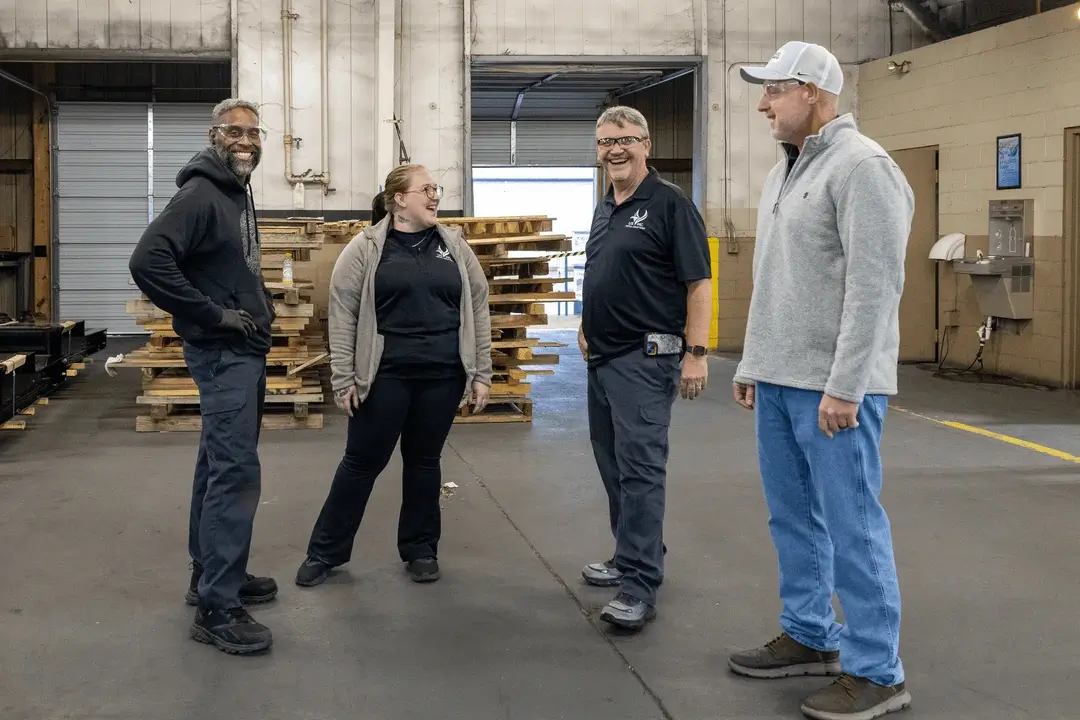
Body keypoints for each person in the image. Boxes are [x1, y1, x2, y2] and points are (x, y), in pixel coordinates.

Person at [726, 41, 914, 720]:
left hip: (834, 389)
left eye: (773, 90)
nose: (762, 103)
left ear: (811, 90)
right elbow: (776, 281)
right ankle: (810, 633)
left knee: (853, 523)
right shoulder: (785, 171)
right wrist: (753, 362)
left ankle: (878, 671)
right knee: (792, 517)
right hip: (779, 380)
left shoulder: (865, 168)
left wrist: (847, 384)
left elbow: (874, 287)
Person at [295, 163, 492, 588]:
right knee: (362, 462)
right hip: (384, 376)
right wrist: (343, 377)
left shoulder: (454, 246)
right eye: (427, 189)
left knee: (424, 462)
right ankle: (324, 552)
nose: (435, 196)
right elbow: (343, 312)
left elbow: (478, 307)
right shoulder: (366, 247)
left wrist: (481, 373)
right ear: (400, 199)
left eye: (436, 189)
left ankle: (420, 548)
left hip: (442, 375)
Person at [129, 98, 278, 655]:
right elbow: (149, 261)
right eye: (235, 131)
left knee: (217, 463)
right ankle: (218, 607)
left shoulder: (233, 189)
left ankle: (210, 576)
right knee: (235, 471)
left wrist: (253, 304)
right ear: (214, 136)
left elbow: (230, 263)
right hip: (223, 353)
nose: (246, 140)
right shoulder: (201, 193)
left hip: (242, 348)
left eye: (254, 132)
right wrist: (213, 314)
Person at [577, 106, 713, 631]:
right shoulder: (605, 206)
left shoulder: (670, 205)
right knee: (613, 464)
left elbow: (698, 283)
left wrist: (696, 353)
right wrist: (587, 325)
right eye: (606, 141)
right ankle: (630, 551)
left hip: (645, 358)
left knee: (640, 470)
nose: (615, 149)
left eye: (626, 140)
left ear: (646, 145)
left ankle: (639, 584)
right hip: (603, 357)